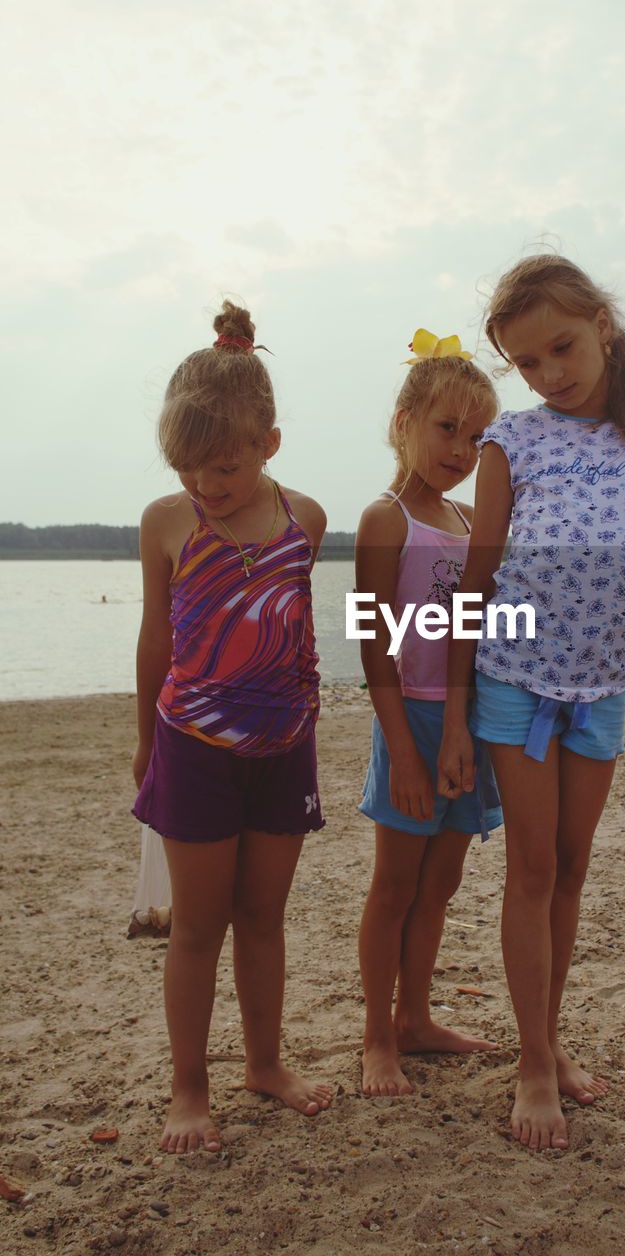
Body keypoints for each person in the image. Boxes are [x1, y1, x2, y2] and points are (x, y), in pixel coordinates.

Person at [437, 257, 625, 1151]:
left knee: (575, 872)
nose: (552, 372)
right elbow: (477, 578)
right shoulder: (515, 442)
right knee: (534, 869)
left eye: (562, 346)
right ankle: (533, 1064)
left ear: (602, 326)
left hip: (603, 695)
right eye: (530, 362)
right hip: (514, 683)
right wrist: (459, 707)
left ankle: (549, 1035)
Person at [132, 301, 332, 1153]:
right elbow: (157, 635)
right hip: (195, 751)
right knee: (198, 927)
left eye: (223, 468)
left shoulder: (306, 521)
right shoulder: (167, 523)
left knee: (264, 916)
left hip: (285, 747)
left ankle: (263, 1062)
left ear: (268, 445)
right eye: (188, 471)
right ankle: (188, 1086)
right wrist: (144, 741)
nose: (206, 488)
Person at [357, 329, 504, 1097]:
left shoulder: (470, 523)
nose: (460, 448)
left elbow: (475, 634)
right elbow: (374, 648)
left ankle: (416, 1017)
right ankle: (378, 1037)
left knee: (442, 880)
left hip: (464, 724)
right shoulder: (387, 521)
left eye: (476, 437)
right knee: (395, 885)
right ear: (405, 420)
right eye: (447, 428)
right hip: (408, 723)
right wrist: (406, 751)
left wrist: (465, 729)